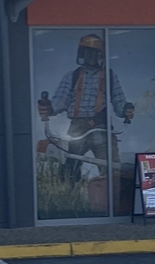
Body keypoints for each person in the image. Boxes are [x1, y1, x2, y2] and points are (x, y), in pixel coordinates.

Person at [38, 34, 134, 179]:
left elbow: (118, 101)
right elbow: (61, 100)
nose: (90, 57)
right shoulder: (72, 76)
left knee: (111, 169)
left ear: (100, 55)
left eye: (94, 53)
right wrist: (49, 107)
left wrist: (126, 109)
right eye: (87, 52)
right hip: (77, 128)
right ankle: (70, 191)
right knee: (69, 171)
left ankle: (112, 191)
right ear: (81, 54)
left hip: (101, 128)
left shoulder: (109, 76)